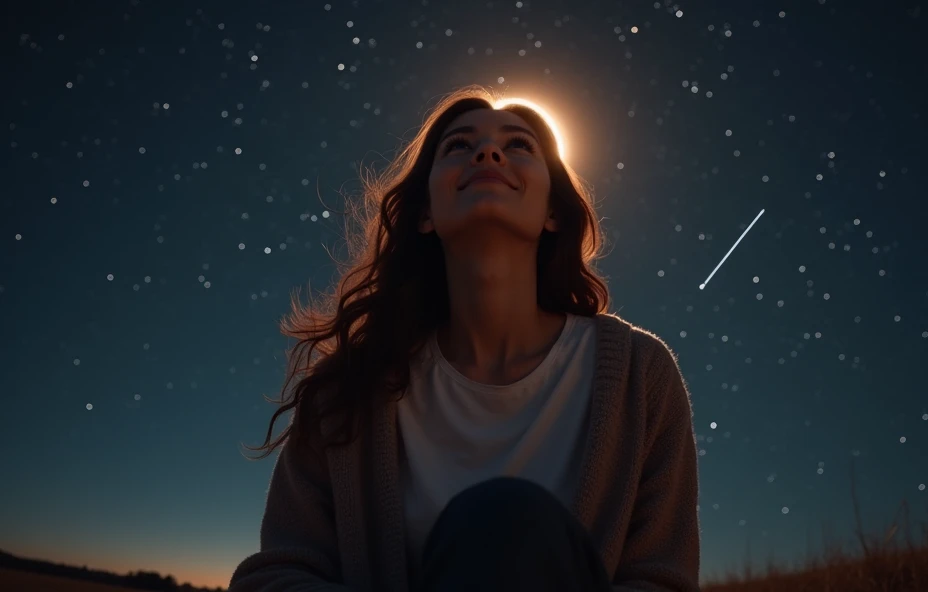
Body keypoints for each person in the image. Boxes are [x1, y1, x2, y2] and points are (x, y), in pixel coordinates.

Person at [229, 84, 700, 592]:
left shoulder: (638, 374)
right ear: (425, 213)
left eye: (519, 145)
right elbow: (278, 573)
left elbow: (662, 579)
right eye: (458, 146)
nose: (488, 151)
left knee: (503, 517)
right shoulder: (346, 390)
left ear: (553, 213)